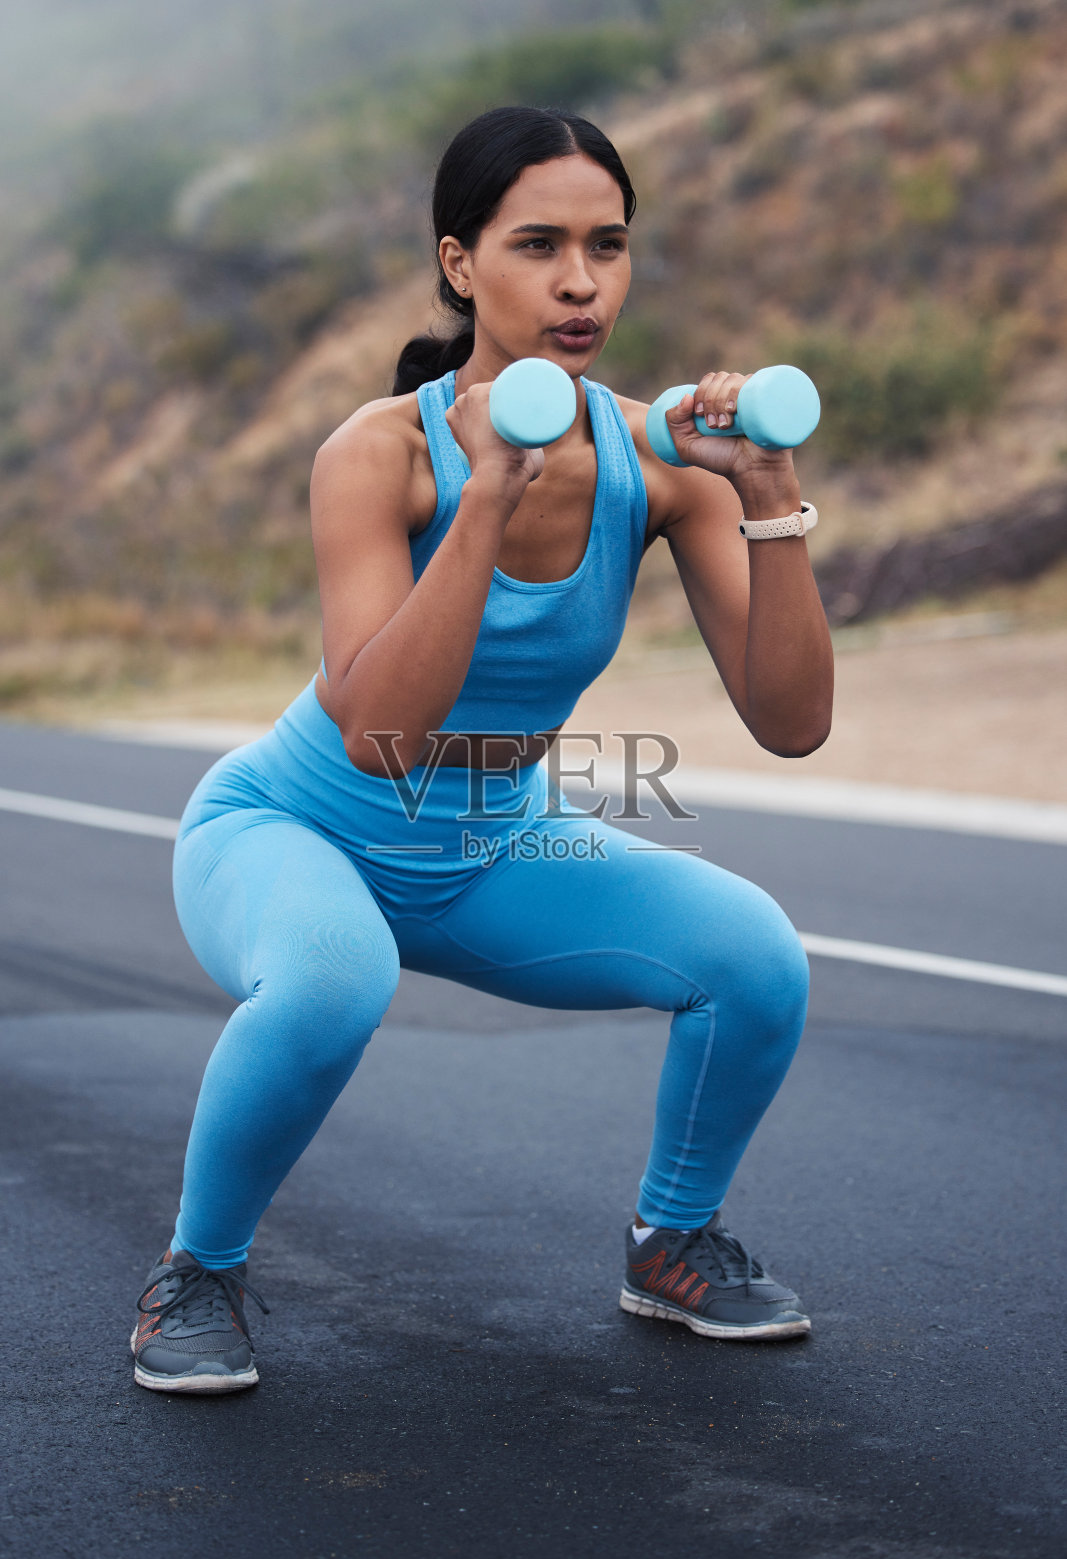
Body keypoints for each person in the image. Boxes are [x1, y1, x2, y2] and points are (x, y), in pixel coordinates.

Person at [131, 105, 834, 1393]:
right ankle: (197, 1270)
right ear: (460, 263)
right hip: (295, 827)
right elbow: (380, 735)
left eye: (607, 246)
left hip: (493, 843)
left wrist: (768, 497)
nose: (580, 282)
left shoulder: (659, 460)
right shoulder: (378, 452)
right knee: (335, 979)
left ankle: (672, 1243)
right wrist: (484, 504)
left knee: (756, 959)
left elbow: (792, 724)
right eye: (538, 245)